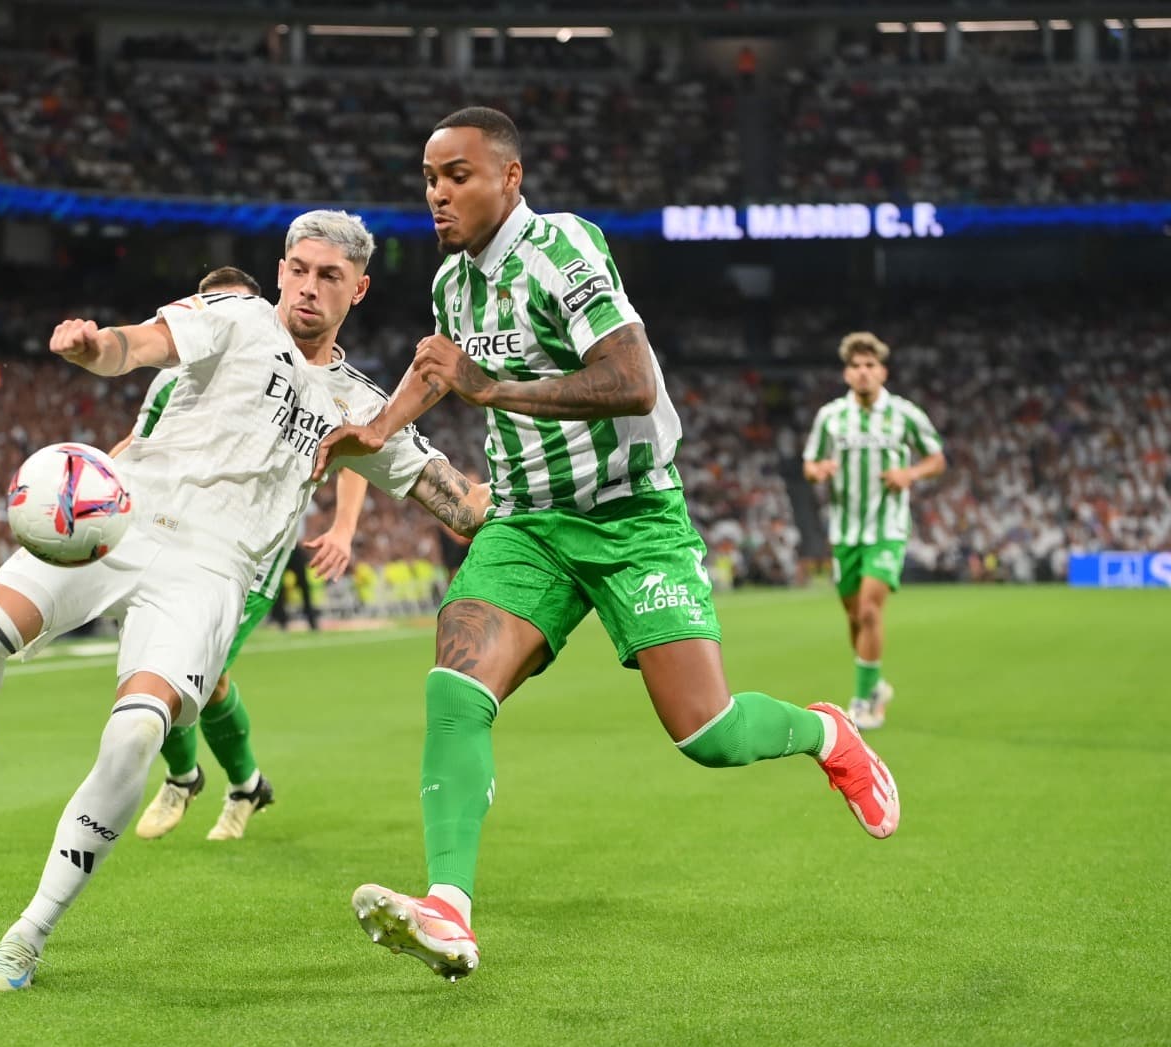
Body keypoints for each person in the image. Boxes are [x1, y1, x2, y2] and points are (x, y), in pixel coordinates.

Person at [315, 107, 900, 981]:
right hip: (528, 525)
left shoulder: (564, 250)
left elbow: (632, 382)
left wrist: (493, 388)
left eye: (458, 176)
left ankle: (827, 734)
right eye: (430, 178)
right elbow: (441, 371)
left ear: (509, 178)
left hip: (632, 517)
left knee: (707, 732)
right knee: (455, 678)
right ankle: (448, 908)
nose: (438, 194)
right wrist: (374, 428)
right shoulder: (452, 286)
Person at [0, 210, 494, 992]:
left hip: (210, 572)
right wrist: (95, 347)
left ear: (360, 288)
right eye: (299, 268)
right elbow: (140, 343)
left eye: (329, 276)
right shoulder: (238, 317)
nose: (308, 287)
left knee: (135, 738)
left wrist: (542, 464)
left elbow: (459, 506)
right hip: (125, 515)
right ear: (280, 270)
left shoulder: (364, 407)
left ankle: (26, 936)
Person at [111, 265, 370, 844]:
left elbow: (358, 445)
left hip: (250, 558)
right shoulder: (171, 377)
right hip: (166, 539)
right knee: (158, 667)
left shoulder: (295, 375)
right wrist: (91, 487)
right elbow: (138, 444)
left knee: (191, 671)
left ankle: (201, 780)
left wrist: (344, 527)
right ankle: (231, 782)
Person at [802, 332, 945, 729]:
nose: (863, 373)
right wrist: (820, 471)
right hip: (845, 531)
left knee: (868, 610)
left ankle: (864, 701)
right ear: (847, 373)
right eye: (855, 366)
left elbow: (936, 458)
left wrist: (909, 473)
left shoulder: (904, 414)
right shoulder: (831, 417)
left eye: (870, 366)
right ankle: (876, 684)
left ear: (882, 371)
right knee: (854, 616)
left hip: (887, 527)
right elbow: (809, 464)